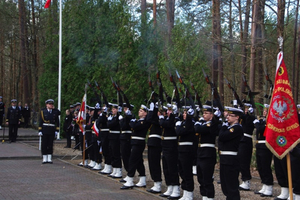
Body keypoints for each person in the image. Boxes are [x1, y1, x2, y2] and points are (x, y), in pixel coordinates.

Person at [121, 104, 150, 189]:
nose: (139, 112)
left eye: (141, 111)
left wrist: (132, 120)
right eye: (139, 110)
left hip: (139, 142)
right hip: (134, 142)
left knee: (132, 160)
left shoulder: (144, 121)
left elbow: (134, 126)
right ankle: (142, 179)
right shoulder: (137, 120)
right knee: (139, 161)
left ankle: (130, 179)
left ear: (145, 113)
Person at [194, 105, 219, 200]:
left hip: (208, 153)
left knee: (207, 177)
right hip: (200, 152)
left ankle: (209, 196)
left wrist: (198, 123)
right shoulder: (203, 123)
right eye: (203, 113)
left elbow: (198, 129)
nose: (204, 115)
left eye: (206, 113)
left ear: (212, 115)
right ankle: (204, 196)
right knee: (200, 177)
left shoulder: (211, 124)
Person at [218, 106, 243, 200]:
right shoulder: (228, 127)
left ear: (237, 117)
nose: (228, 117)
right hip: (224, 159)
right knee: (225, 185)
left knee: (231, 185)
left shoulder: (237, 128)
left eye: (231, 115)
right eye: (227, 115)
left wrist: (224, 126)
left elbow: (222, 137)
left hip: (231, 160)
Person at [159, 103, 180, 199]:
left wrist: (162, 118)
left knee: (172, 168)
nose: (168, 112)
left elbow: (166, 124)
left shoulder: (174, 119)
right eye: (168, 110)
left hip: (171, 146)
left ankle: (176, 188)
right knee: (166, 167)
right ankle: (170, 186)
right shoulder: (168, 118)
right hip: (165, 145)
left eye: (170, 110)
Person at [175, 106, 196, 200]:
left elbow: (183, 131)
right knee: (182, 171)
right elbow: (178, 132)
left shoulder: (190, 123)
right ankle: (185, 192)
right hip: (181, 149)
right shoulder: (182, 123)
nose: (184, 115)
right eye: (183, 113)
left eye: (186, 113)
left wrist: (189, 118)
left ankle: (189, 192)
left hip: (187, 150)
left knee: (187, 172)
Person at [253, 104, 273, 197]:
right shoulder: (263, 121)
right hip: (259, 145)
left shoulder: (269, 122)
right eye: (264, 111)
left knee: (265, 166)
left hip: (266, 146)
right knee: (260, 166)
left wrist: (257, 123)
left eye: (266, 111)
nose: (264, 112)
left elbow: (260, 129)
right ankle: (264, 185)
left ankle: (269, 186)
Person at [146, 102, 163, 194]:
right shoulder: (155, 118)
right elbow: (149, 120)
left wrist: (153, 110)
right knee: (151, 163)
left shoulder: (159, 120)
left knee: (155, 163)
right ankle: (155, 182)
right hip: (151, 142)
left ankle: (158, 183)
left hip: (156, 142)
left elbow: (150, 119)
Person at [239, 103, 256, 191]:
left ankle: (246, 180)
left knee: (244, 162)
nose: (245, 111)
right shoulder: (244, 118)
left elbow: (247, 120)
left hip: (246, 141)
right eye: (244, 109)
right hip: (241, 140)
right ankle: (243, 179)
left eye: (247, 109)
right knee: (240, 161)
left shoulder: (251, 118)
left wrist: (249, 114)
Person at [38, 99, 60, 164]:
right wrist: (40, 130)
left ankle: (49, 158)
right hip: (45, 128)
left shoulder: (55, 112)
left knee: (50, 144)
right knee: (44, 144)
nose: (51, 105)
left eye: (52, 104)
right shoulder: (43, 111)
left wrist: (57, 130)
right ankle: (44, 158)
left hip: (52, 129)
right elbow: (40, 121)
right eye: (49, 104)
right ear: (46, 105)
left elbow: (57, 120)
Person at [107, 103, 122, 178]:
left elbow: (111, 124)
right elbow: (108, 124)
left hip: (116, 137)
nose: (112, 110)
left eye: (114, 109)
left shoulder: (118, 117)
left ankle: (118, 169)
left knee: (116, 153)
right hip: (111, 136)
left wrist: (110, 122)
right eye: (112, 109)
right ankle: (114, 169)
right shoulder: (113, 117)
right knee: (112, 153)